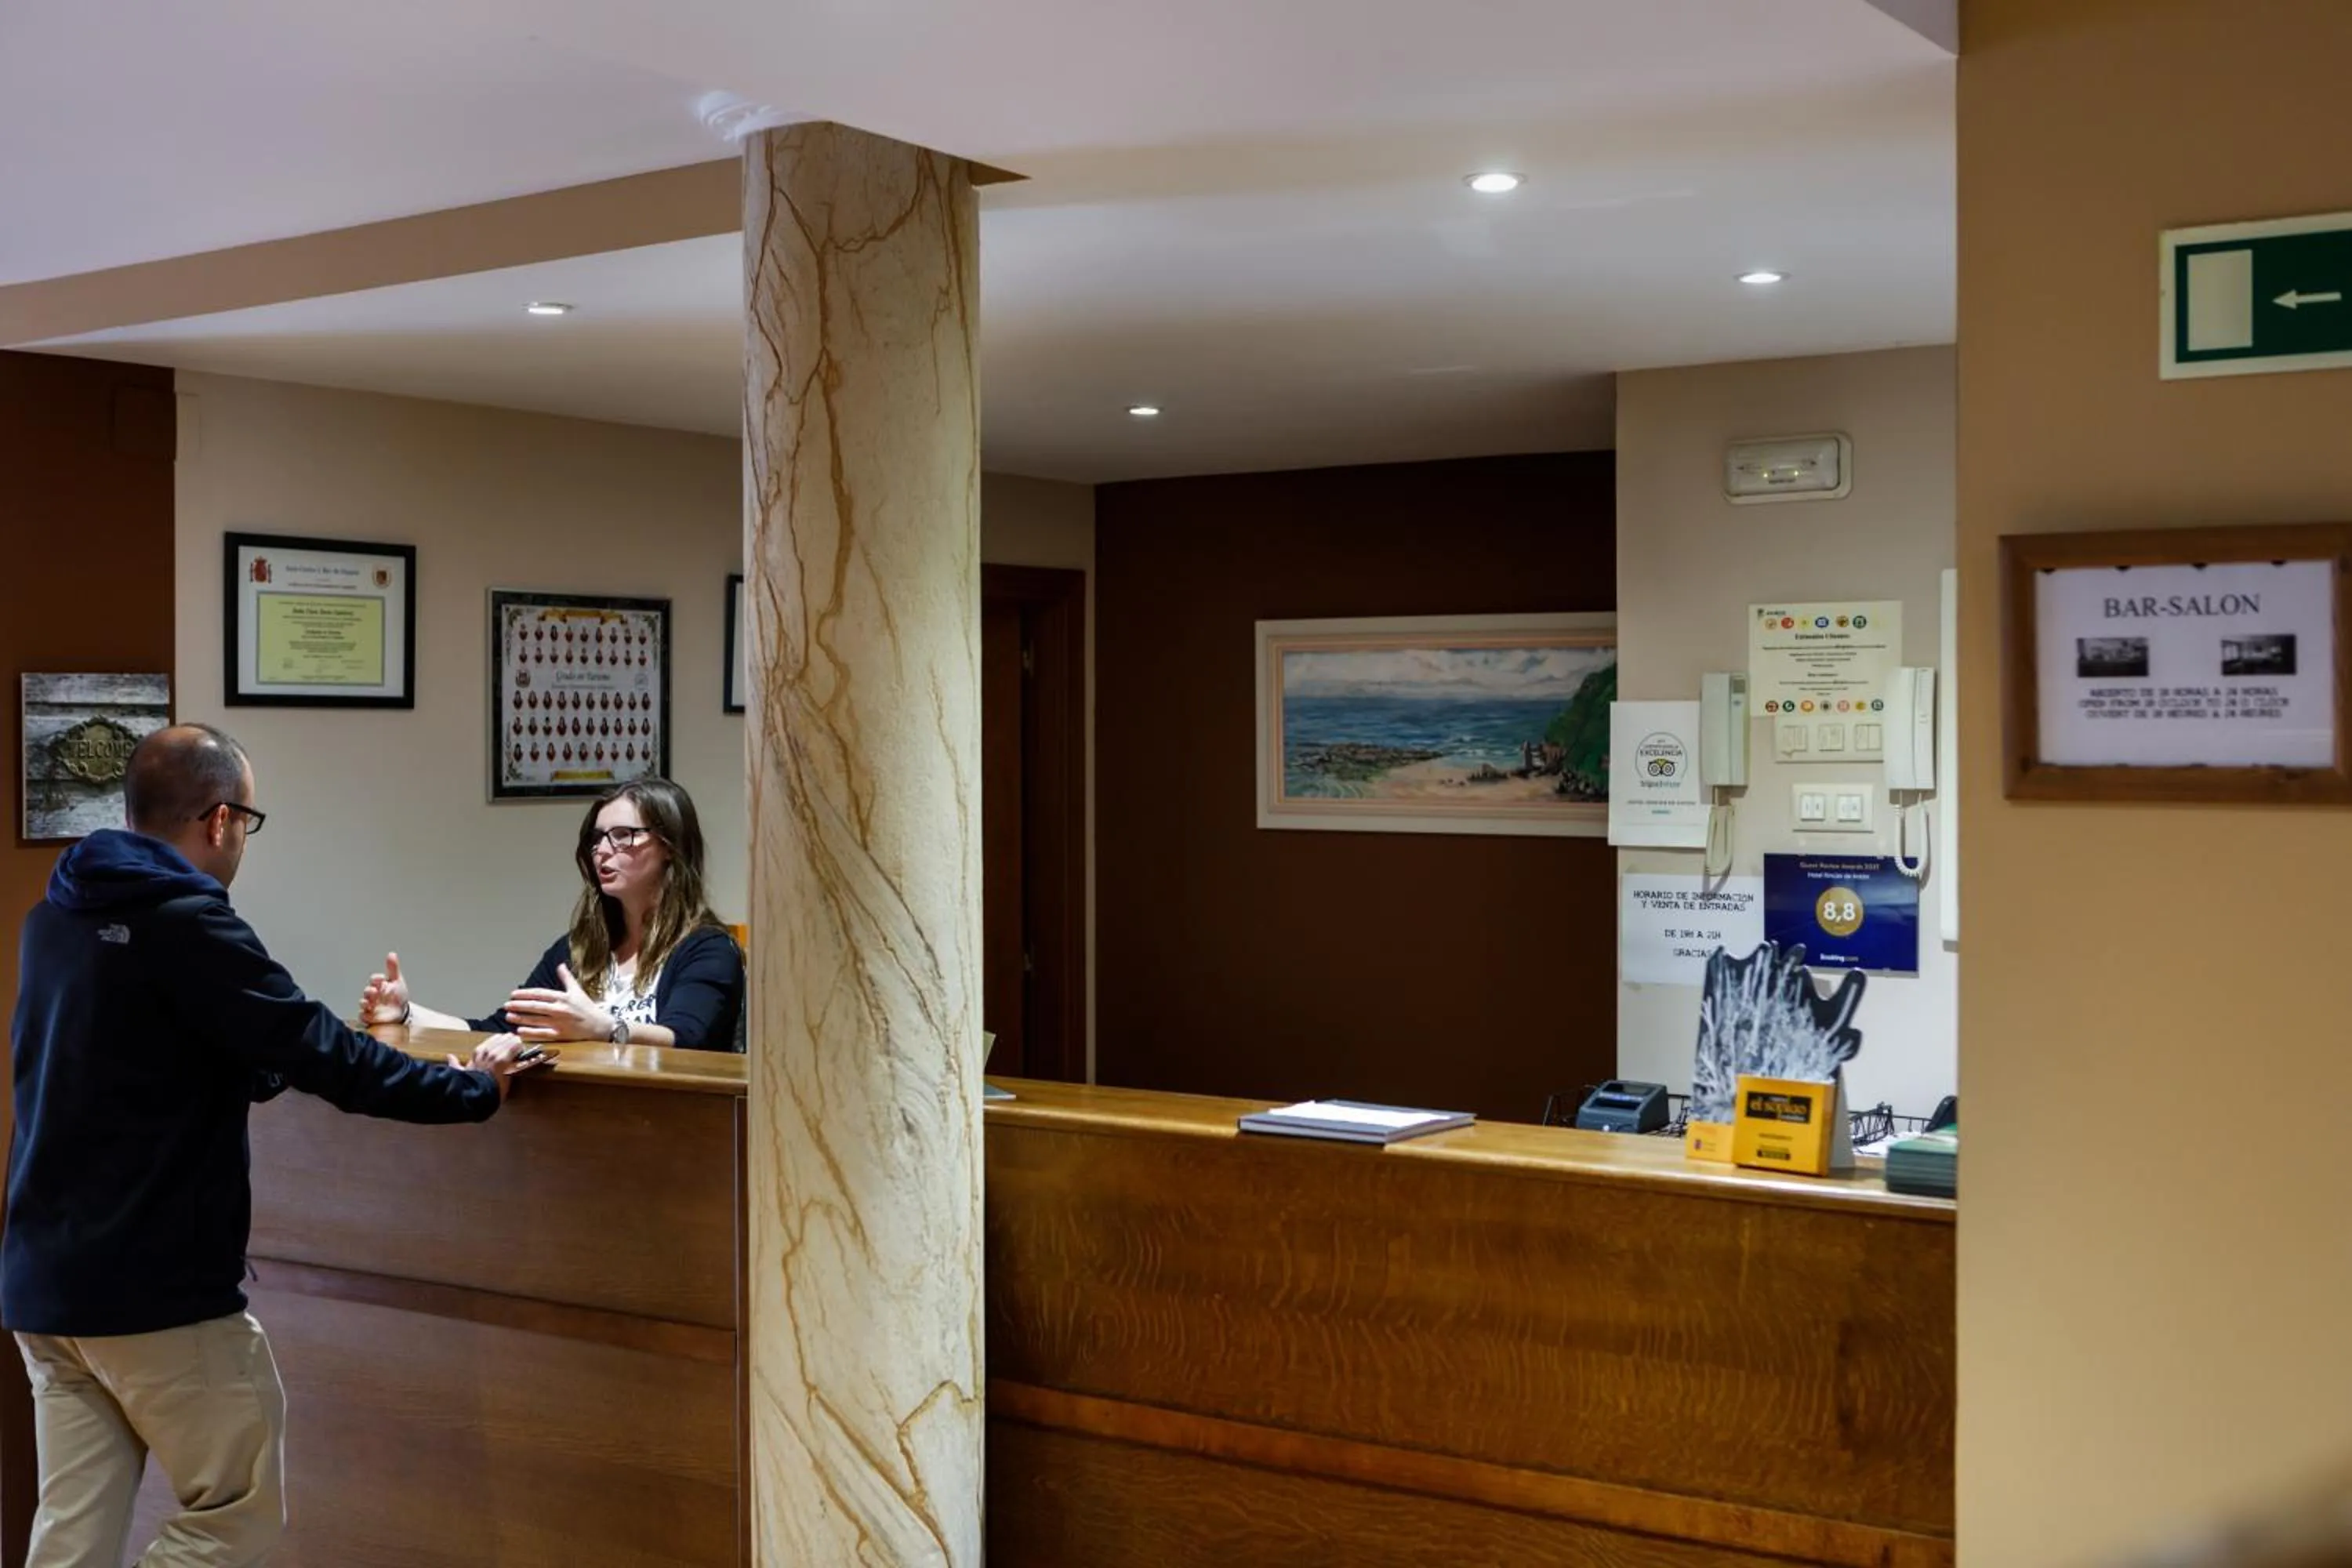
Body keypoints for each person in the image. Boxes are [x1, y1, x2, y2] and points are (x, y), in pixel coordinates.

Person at [5, 724, 548, 1567]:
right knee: (235, 1516)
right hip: (157, 1291)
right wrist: (474, 1088)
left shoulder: (54, 917)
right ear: (220, 819)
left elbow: (153, 1054)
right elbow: (320, 1052)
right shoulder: (186, 921)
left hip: (44, 1290)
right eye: (247, 823)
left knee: (71, 1535)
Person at [362, 777, 745, 1053]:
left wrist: (606, 1029)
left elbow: (689, 1039)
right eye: (597, 838)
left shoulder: (709, 948)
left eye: (623, 835)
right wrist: (407, 1013)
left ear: (668, 847)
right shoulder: (579, 949)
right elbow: (498, 1029)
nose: (603, 851)